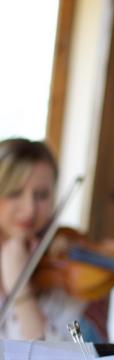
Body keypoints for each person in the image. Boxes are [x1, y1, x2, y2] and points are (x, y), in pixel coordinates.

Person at [0, 138, 90, 341]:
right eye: (14, 193)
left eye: (41, 195)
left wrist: (20, 288)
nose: (30, 209)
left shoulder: (67, 273)